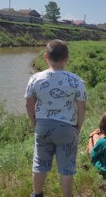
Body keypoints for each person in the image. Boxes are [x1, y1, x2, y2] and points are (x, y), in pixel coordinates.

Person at [25, 39, 87, 197]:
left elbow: (29, 105)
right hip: (67, 128)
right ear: (67, 58)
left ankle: (37, 194)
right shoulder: (76, 81)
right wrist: (77, 128)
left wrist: (35, 124)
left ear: (45, 56)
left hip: (42, 126)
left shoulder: (35, 78)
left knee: (40, 164)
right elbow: (82, 108)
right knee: (66, 168)